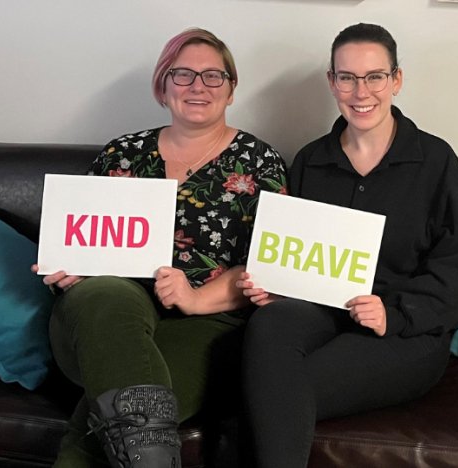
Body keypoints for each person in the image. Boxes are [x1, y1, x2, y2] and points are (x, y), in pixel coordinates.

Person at [32, 27, 287, 468]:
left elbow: (264, 268)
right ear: (163, 85)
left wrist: (194, 297)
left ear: (230, 89)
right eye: (183, 74)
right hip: (104, 313)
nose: (197, 87)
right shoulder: (121, 154)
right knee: (103, 295)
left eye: (213, 76)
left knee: (120, 413)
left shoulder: (260, 162)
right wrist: (70, 266)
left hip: (206, 321)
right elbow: (77, 241)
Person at [236, 23, 458, 468]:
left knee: (274, 393)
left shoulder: (435, 160)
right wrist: (277, 285)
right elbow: (298, 248)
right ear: (332, 82)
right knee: (270, 324)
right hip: (323, 310)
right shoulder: (312, 160)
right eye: (347, 77)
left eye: (374, 76)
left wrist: (394, 312)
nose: (360, 91)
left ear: (396, 80)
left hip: (403, 332)